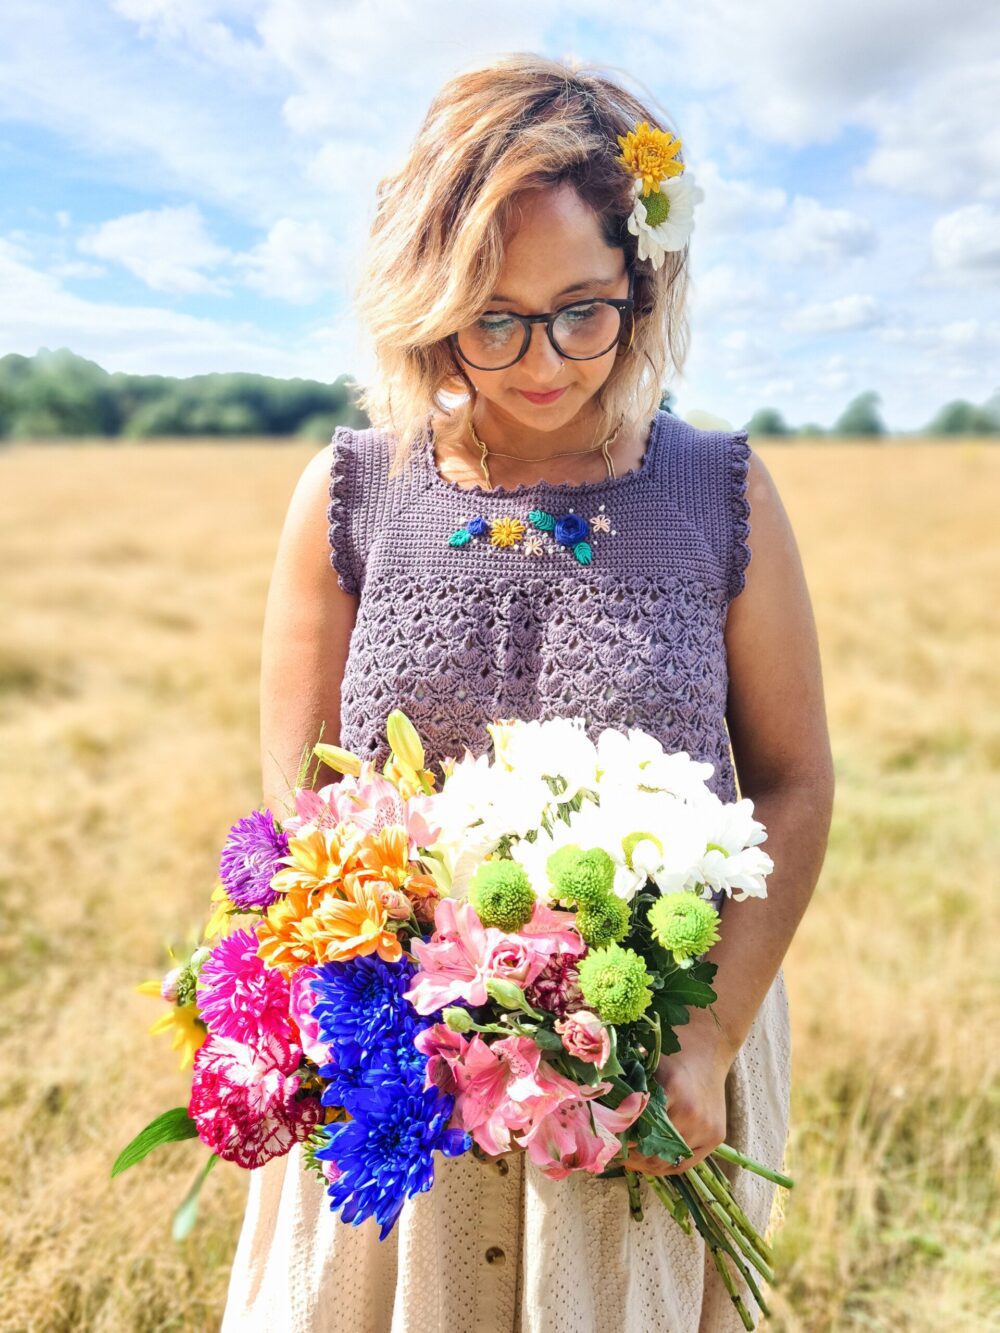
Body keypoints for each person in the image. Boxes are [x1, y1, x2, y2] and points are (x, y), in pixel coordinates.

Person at [221, 52, 834, 1333]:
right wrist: (377, 983)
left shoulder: (723, 493)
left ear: (642, 280)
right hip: (404, 1063)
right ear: (427, 306)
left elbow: (791, 775)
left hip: (651, 1055)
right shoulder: (353, 492)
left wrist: (706, 1037)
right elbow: (299, 792)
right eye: (491, 318)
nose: (543, 361)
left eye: (582, 310)